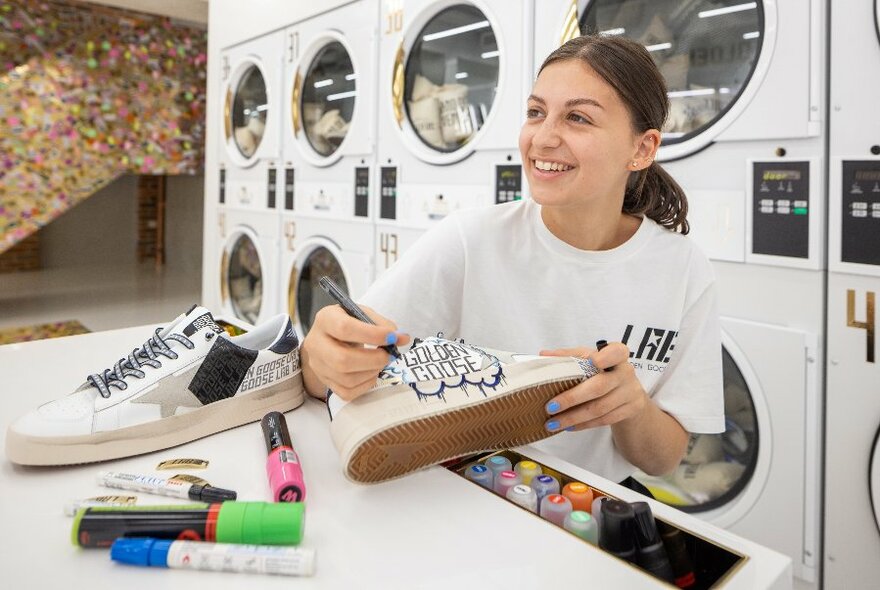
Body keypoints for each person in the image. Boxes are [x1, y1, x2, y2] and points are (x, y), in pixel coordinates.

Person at [301, 34, 724, 485]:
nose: (543, 138)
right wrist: (318, 359)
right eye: (535, 113)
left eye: (578, 118)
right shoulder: (471, 240)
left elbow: (663, 461)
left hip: (588, 507)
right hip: (466, 490)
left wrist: (632, 407)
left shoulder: (682, 269)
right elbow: (330, 370)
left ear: (642, 149)